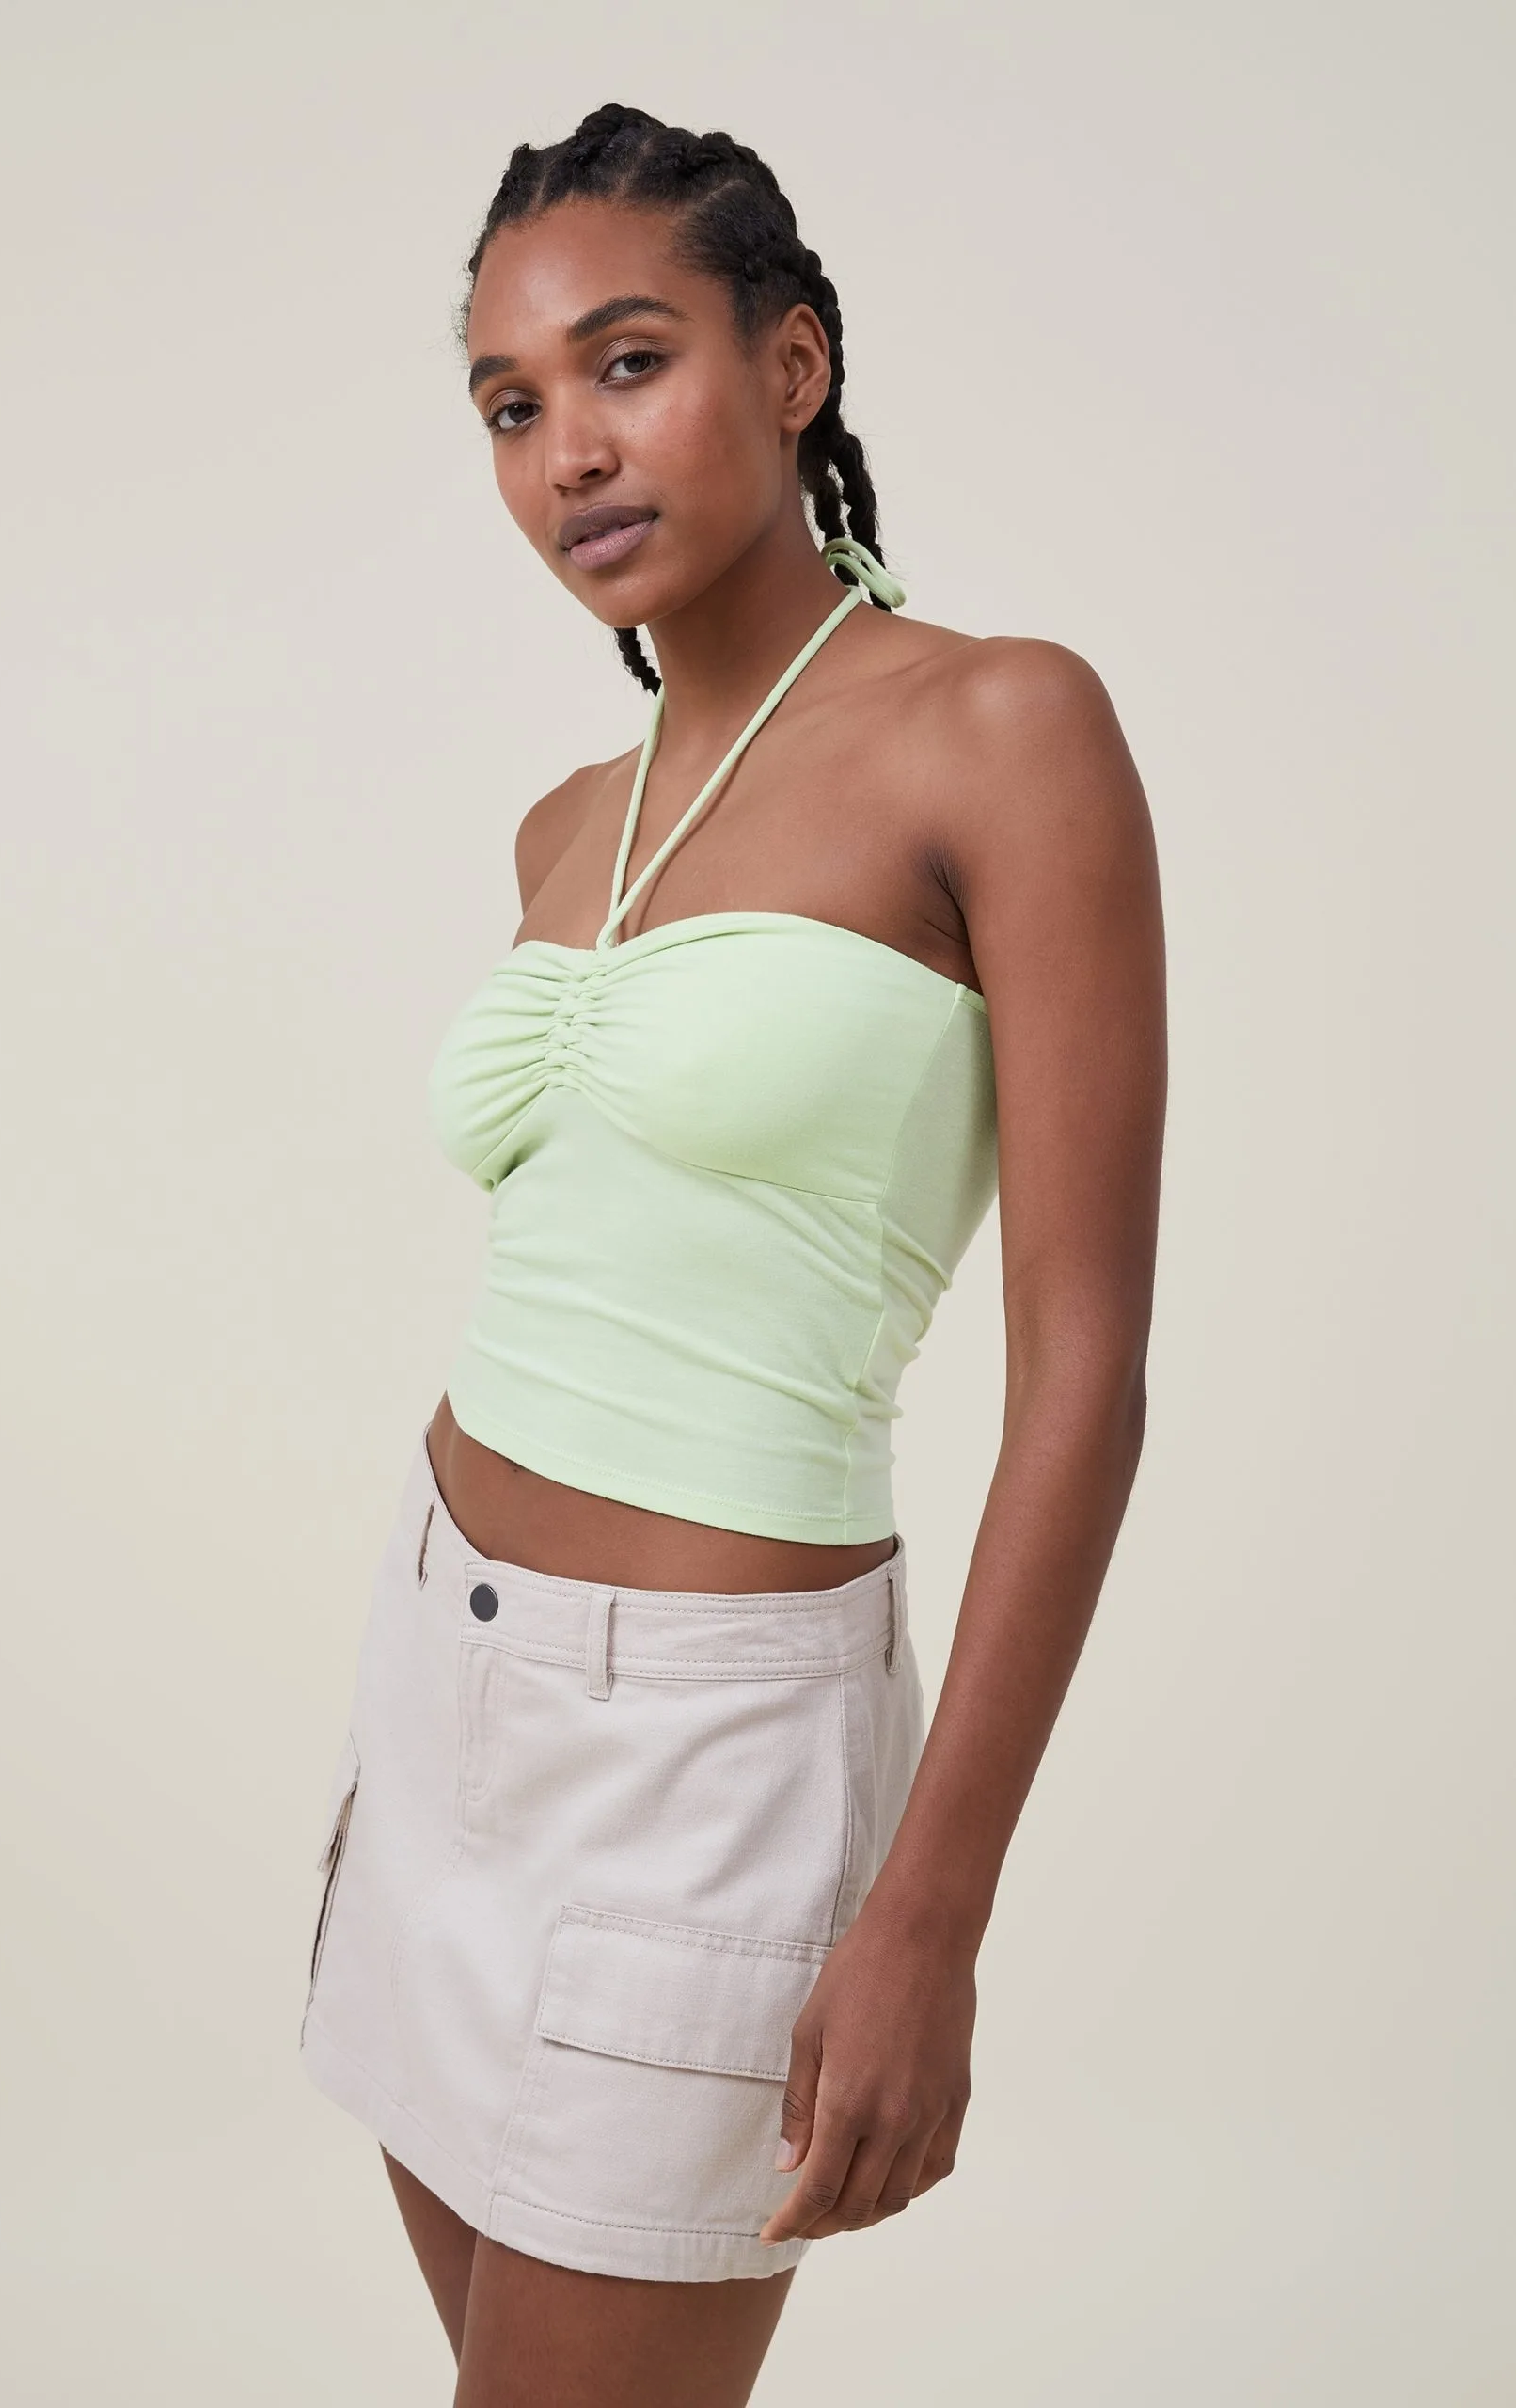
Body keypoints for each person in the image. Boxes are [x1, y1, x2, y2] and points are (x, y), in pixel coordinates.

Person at [299, 102, 1166, 2408]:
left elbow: (1085, 1367)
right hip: (437, 1679)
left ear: (791, 367)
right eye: (510, 405)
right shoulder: (566, 823)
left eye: (627, 361)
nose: (567, 450)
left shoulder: (1001, 726)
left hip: (711, 1753)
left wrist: (930, 1905)